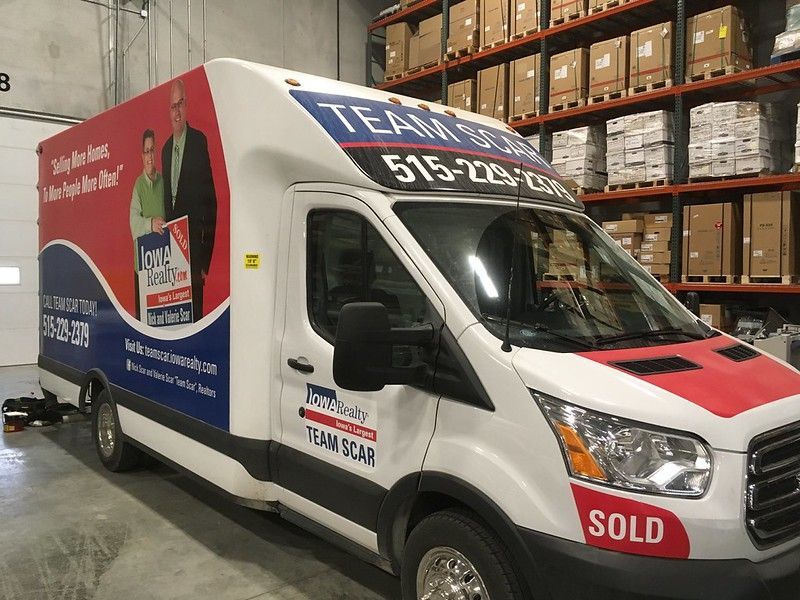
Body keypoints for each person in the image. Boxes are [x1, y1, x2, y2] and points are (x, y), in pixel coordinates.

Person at [161, 79, 217, 320]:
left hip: (193, 258)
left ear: (187, 105)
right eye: (173, 106)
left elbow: (211, 202)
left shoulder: (198, 141)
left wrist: (205, 261)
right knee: (172, 322)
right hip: (170, 260)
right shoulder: (164, 149)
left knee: (193, 322)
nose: (177, 111)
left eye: (180, 104)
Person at [129, 128, 166, 320]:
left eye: (152, 150)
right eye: (146, 151)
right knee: (144, 321)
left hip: (164, 268)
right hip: (143, 269)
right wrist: (150, 224)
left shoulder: (164, 182)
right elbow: (133, 223)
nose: (149, 155)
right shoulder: (138, 185)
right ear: (142, 155)